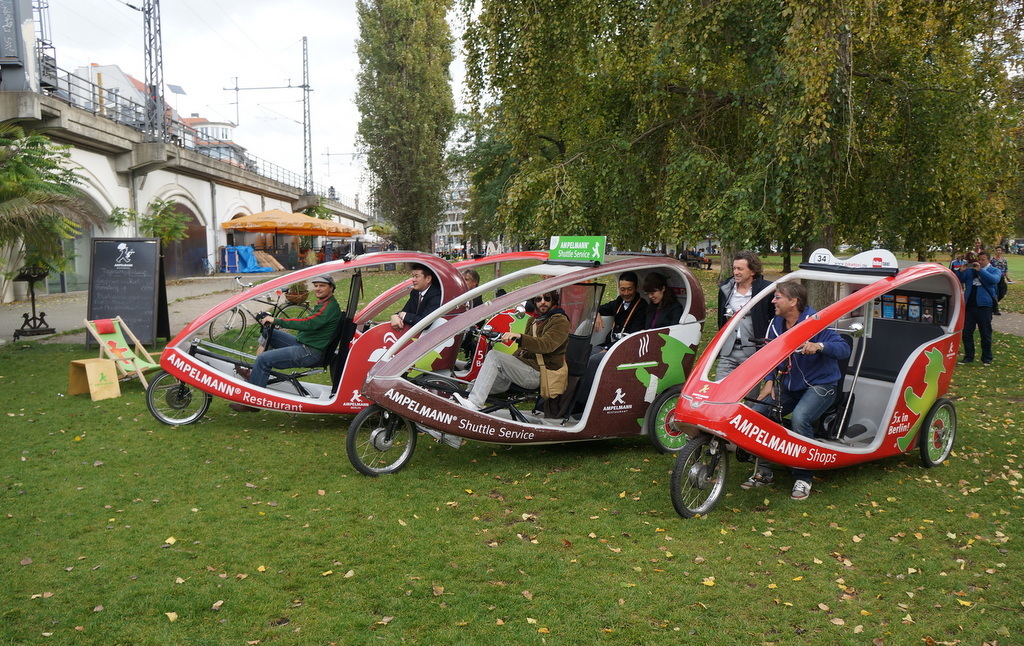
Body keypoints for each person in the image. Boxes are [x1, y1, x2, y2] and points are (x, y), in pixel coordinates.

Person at [745, 282, 851, 500]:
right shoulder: (775, 323)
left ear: (793, 301)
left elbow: (844, 349)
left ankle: (803, 478)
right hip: (789, 386)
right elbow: (769, 354)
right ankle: (764, 471)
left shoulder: (817, 322)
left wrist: (820, 346)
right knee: (758, 414)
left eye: (778, 297)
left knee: (801, 417)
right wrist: (768, 381)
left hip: (822, 386)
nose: (773, 301)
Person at [231, 275, 343, 412]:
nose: (318, 289)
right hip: (303, 344)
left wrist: (277, 321)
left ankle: (252, 403)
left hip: (310, 352)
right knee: (269, 333)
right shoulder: (325, 303)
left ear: (331, 288)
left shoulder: (329, 307)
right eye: (316, 285)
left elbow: (309, 324)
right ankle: (256, 374)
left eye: (322, 286)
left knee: (263, 359)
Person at [454, 290, 569, 410]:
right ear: (534, 302)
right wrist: (513, 358)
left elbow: (546, 345)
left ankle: (474, 403)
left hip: (540, 373)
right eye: (538, 299)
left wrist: (520, 337)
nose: (543, 302)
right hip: (527, 368)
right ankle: (463, 401)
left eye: (547, 298)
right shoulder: (534, 320)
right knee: (474, 384)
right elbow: (524, 350)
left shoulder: (559, 321)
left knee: (495, 356)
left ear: (554, 300)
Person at [716, 250, 775, 380]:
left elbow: (773, 320)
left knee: (750, 396)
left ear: (752, 271)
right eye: (734, 268)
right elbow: (721, 320)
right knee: (718, 393)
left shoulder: (766, 291)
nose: (735, 272)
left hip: (752, 352)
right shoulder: (725, 289)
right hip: (728, 351)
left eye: (740, 269)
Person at [957, 250, 1001, 365]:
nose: (980, 262)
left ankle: (987, 358)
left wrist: (980, 270)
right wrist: (961, 271)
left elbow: (993, 280)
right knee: (967, 333)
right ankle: (968, 356)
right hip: (970, 305)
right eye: (979, 260)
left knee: (985, 333)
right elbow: (959, 280)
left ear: (988, 260)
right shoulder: (971, 271)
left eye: (983, 260)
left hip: (984, 306)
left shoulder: (994, 270)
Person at [594, 271, 647, 349]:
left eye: (629, 289)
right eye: (622, 289)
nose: (626, 293)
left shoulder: (642, 307)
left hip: (623, 348)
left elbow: (632, 336)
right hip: (610, 344)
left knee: (593, 359)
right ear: (619, 288)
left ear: (636, 288)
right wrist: (596, 313)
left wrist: (607, 349)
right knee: (587, 353)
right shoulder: (619, 302)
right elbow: (601, 308)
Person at [390, 263, 440, 331]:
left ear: (428, 279)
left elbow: (425, 323)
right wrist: (395, 316)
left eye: (416, 276)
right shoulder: (415, 292)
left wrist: (403, 316)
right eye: (413, 276)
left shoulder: (436, 295)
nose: (413, 280)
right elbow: (405, 311)